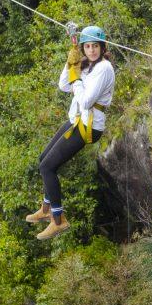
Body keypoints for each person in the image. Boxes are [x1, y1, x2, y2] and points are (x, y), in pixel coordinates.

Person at [25, 25, 115, 240]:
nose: (91, 50)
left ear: (103, 48)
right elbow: (64, 85)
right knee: (43, 159)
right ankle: (46, 209)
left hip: (88, 126)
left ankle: (58, 219)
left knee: (47, 167)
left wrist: (77, 77)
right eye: (88, 46)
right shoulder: (88, 65)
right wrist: (71, 63)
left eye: (95, 46)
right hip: (76, 121)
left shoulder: (104, 68)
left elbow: (85, 101)